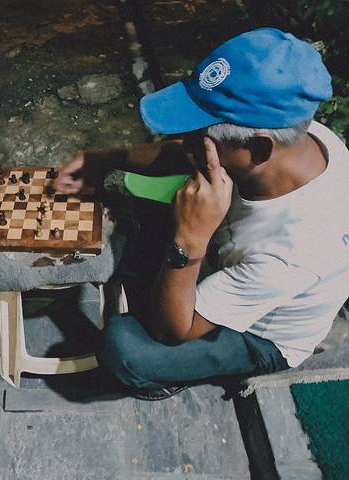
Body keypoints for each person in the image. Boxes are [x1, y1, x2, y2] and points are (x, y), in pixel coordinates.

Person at [56, 28, 349, 400]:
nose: (186, 142)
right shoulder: (297, 135)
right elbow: (189, 153)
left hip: (259, 334)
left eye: (201, 137)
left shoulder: (291, 255)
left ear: (258, 150)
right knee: (135, 211)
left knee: (125, 348)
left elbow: (172, 332)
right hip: (229, 254)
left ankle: (176, 373)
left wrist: (188, 244)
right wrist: (104, 159)